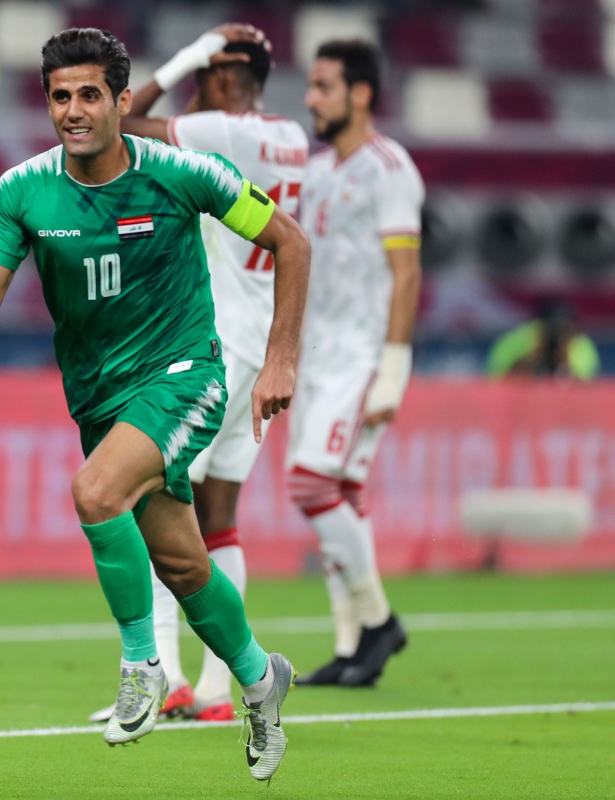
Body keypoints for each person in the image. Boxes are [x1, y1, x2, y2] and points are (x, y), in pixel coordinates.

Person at [0, 28, 309, 781]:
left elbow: (292, 242)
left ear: (119, 101)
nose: (73, 111)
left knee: (95, 492)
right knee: (181, 562)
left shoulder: (182, 172)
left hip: (185, 375)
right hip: (99, 398)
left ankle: (142, 666)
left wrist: (280, 359)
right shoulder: (20, 193)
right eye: (59, 96)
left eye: (88, 95)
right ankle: (260, 677)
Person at [88, 23, 308, 724]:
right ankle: (219, 690)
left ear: (217, 76)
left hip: (209, 342)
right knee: (219, 517)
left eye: (202, 73)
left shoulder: (218, 131)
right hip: (258, 343)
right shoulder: (292, 137)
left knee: (149, 502)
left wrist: (184, 54)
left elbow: (116, 120)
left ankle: (168, 679)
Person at [288, 39, 423, 688]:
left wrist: (392, 369)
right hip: (314, 355)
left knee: (311, 486)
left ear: (360, 93)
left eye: (322, 86)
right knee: (335, 494)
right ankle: (352, 648)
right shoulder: (316, 173)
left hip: (363, 354)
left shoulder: (388, 168)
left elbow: (406, 274)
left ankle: (378, 622)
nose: (311, 98)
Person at [486, 297, 600, 380]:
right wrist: (531, 357)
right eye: (548, 328)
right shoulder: (518, 339)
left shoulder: (580, 344)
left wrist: (563, 359)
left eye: (562, 330)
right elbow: (495, 383)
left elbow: (585, 390)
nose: (555, 335)